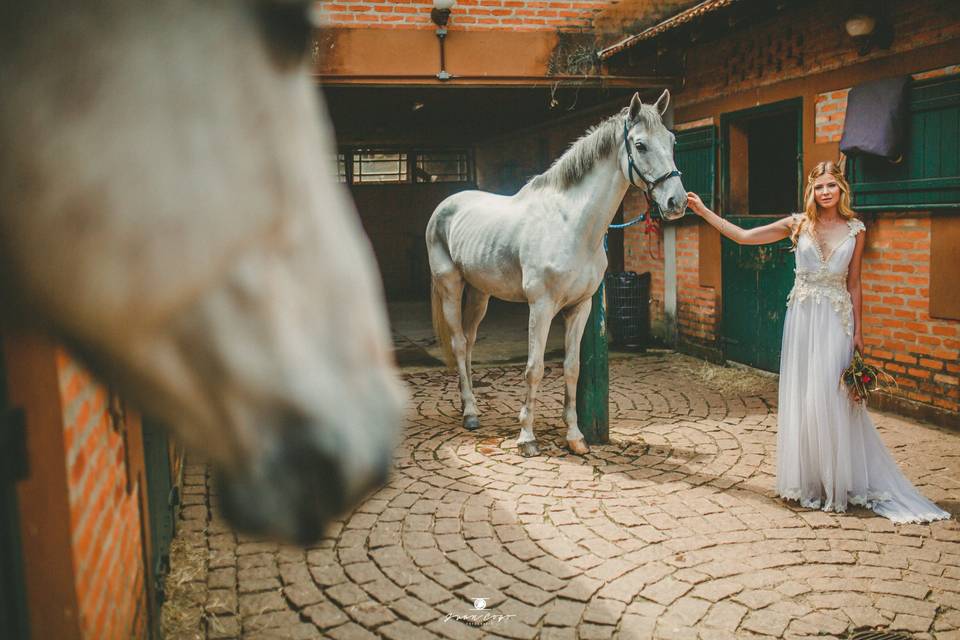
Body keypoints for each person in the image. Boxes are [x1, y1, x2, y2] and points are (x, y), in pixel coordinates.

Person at [686, 160, 949, 523]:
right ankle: (811, 481)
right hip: (803, 320)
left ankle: (840, 480)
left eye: (831, 186)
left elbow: (855, 283)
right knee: (806, 396)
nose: (825, 192)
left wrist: (859, 332)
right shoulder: (797, 225)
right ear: (811, 190)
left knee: (834, 397)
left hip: (836, 320)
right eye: (819, 187)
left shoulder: (856, 230)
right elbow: (744, 236)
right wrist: (703, 211)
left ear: (841, 189)